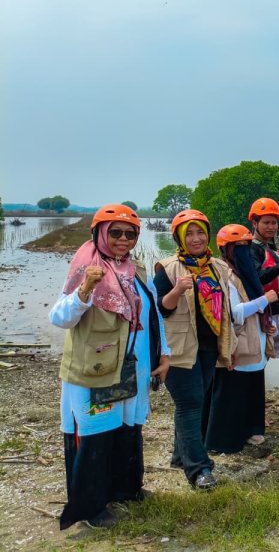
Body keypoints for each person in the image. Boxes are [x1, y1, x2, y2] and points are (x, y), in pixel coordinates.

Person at [49, 204, 170, 529]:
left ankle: (126, 490)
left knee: (127, 427)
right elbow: (59, 317)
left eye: (130, 233)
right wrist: (85, 290)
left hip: (130, 366)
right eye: (115, 232)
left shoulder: (137, 269)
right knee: (97, 434)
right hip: (94, 370)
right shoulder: (85, 268)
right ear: (99, 232)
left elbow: (154, 314)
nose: (123, 239)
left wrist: (165, 354)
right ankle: (90, 508)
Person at [153, 209, 234, 489]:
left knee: (199, 403)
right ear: (178, 238)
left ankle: (180, 456)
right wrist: (176, 291)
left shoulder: (218, 267)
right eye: (190, 234)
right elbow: (158, 311)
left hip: (209, 347)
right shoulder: (167, 268)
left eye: (200, 232)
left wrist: (230, 347)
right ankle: (199, 469)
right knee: (189, 404)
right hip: (178, 348)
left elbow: (226, 311)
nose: (196, 239)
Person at [204, 225, 278, 453]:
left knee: (253, 389)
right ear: (225, 249)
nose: (244, 251)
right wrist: (264, 300)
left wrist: (269, 324)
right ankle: (223, 441)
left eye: (247, 246)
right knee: (230, 393)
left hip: (255, 339)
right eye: (238, 247)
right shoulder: (224, 274)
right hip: (237, 342)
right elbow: (233, 312)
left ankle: (252, 430)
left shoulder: (245, 271)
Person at [248, 198, 279, 360]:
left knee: (270, 354)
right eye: (266, 222)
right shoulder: (250, 249)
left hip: (276, 309)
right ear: (255, 224)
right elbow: (257, 279)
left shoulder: (277, 250)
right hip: (259, 310)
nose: (271, 227)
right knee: (258, 354)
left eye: (274, 223)